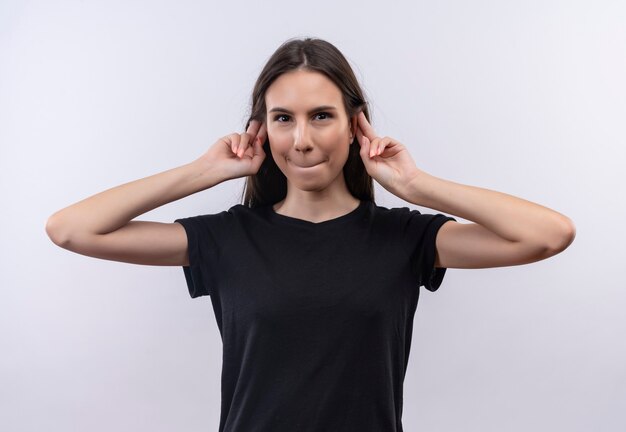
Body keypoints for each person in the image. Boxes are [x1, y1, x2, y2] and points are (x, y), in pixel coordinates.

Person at [46, 37, 576, 431]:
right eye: (283, 118)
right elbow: (70, 229)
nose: (301, 140)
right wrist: (205, 172)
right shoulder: (227, 240)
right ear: (262, 129)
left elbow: (549, 234)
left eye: (321, 116)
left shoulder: (405, 239)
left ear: (354, 126)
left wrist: (417, 185)